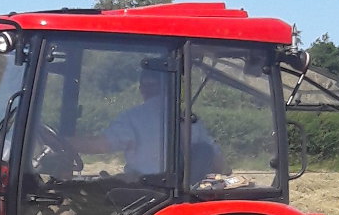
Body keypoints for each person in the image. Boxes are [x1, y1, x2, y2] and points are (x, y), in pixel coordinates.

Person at [71, 69, 225, 180]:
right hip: (168, 193)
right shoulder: (190, 120)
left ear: (142, 88)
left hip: (143, 194)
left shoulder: (135, 117)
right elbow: (218, 163)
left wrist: (64, 142)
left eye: (145, 85)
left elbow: (101, 145)